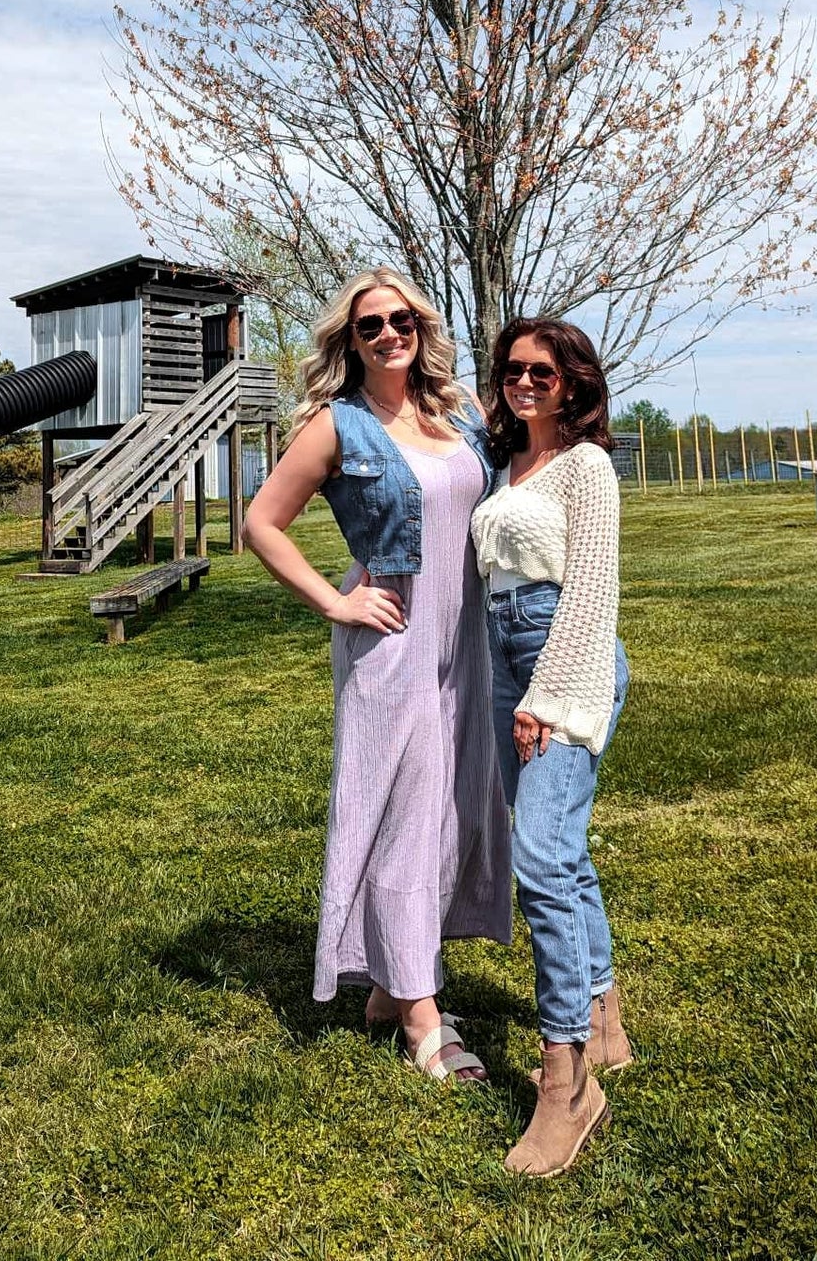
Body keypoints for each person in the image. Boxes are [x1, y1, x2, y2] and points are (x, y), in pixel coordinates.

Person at [242, 268, 512, 1080]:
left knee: (451, 813)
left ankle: (388, 990)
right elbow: (261, 521)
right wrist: (336, 600)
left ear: (420, 327)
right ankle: (422, 1014)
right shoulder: (337, 425)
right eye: (370, 326)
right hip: (391, 639)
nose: (388, 333)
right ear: (349, 342)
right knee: (402, 814)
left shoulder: (453, 415)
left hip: (465, 638)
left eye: (400, 319)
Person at [469, 317, 631, 1175]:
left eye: (541, 370)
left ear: (572, 383)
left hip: (559, 655)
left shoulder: (587, 466)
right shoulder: (505, 463)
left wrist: (546, 695)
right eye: (511, 368)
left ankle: (567, 1081)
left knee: (536, 857)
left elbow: (592, 593)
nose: (522, 381)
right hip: (504, 655)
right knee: (558, 849)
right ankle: (605, 1019)